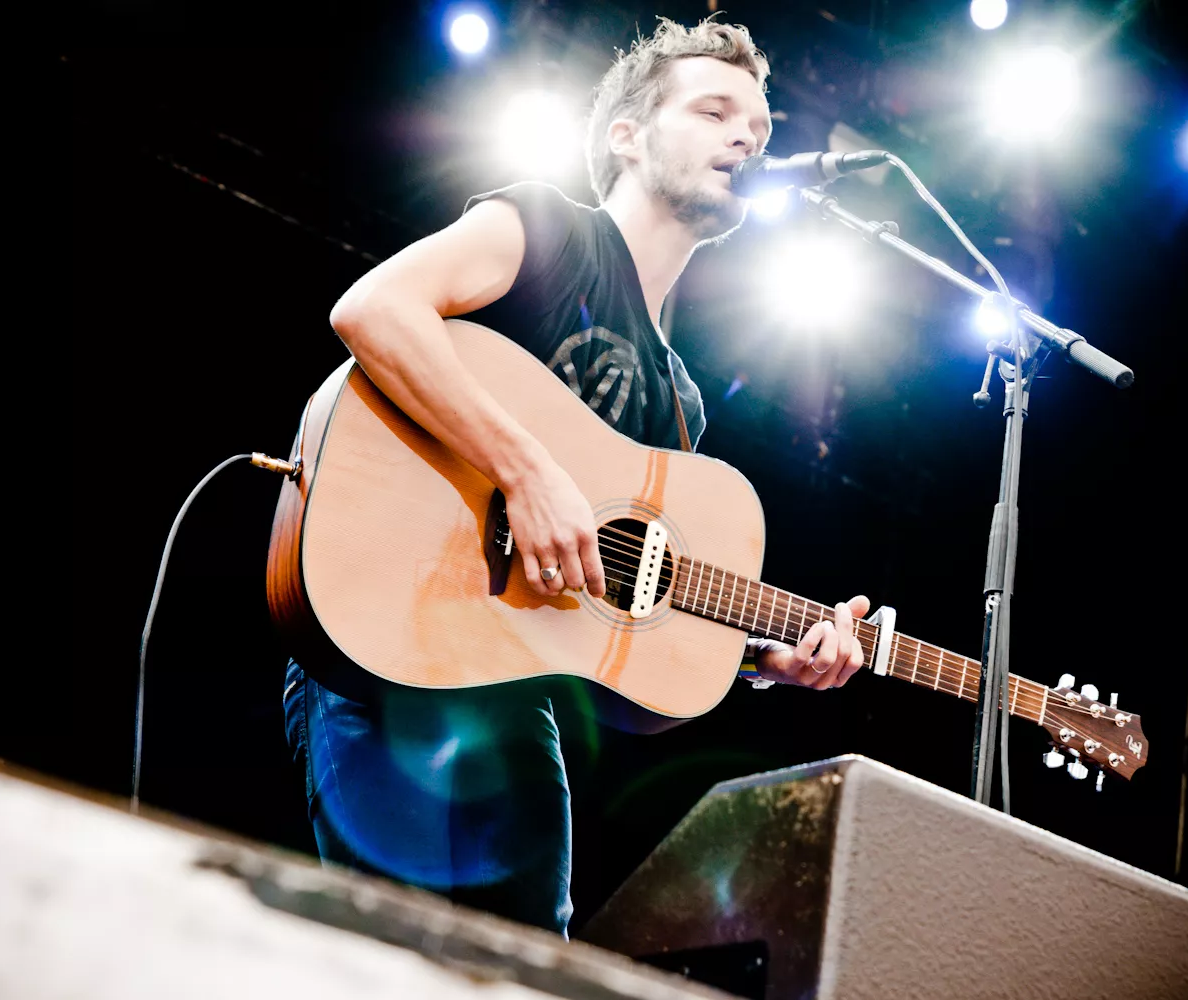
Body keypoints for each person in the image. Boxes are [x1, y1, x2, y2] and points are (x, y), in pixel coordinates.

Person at [283, 16, 871, 938]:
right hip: (385, 645)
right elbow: (375, 309)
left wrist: (768, 660)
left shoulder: (681, 411)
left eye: (757, 131)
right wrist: (527, 469)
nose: (744, 140)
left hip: (514, 708)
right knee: (382, 963)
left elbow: (627, 648)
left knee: (525, 973)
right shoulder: (546, 230)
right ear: (626, 136)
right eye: (715, 112)